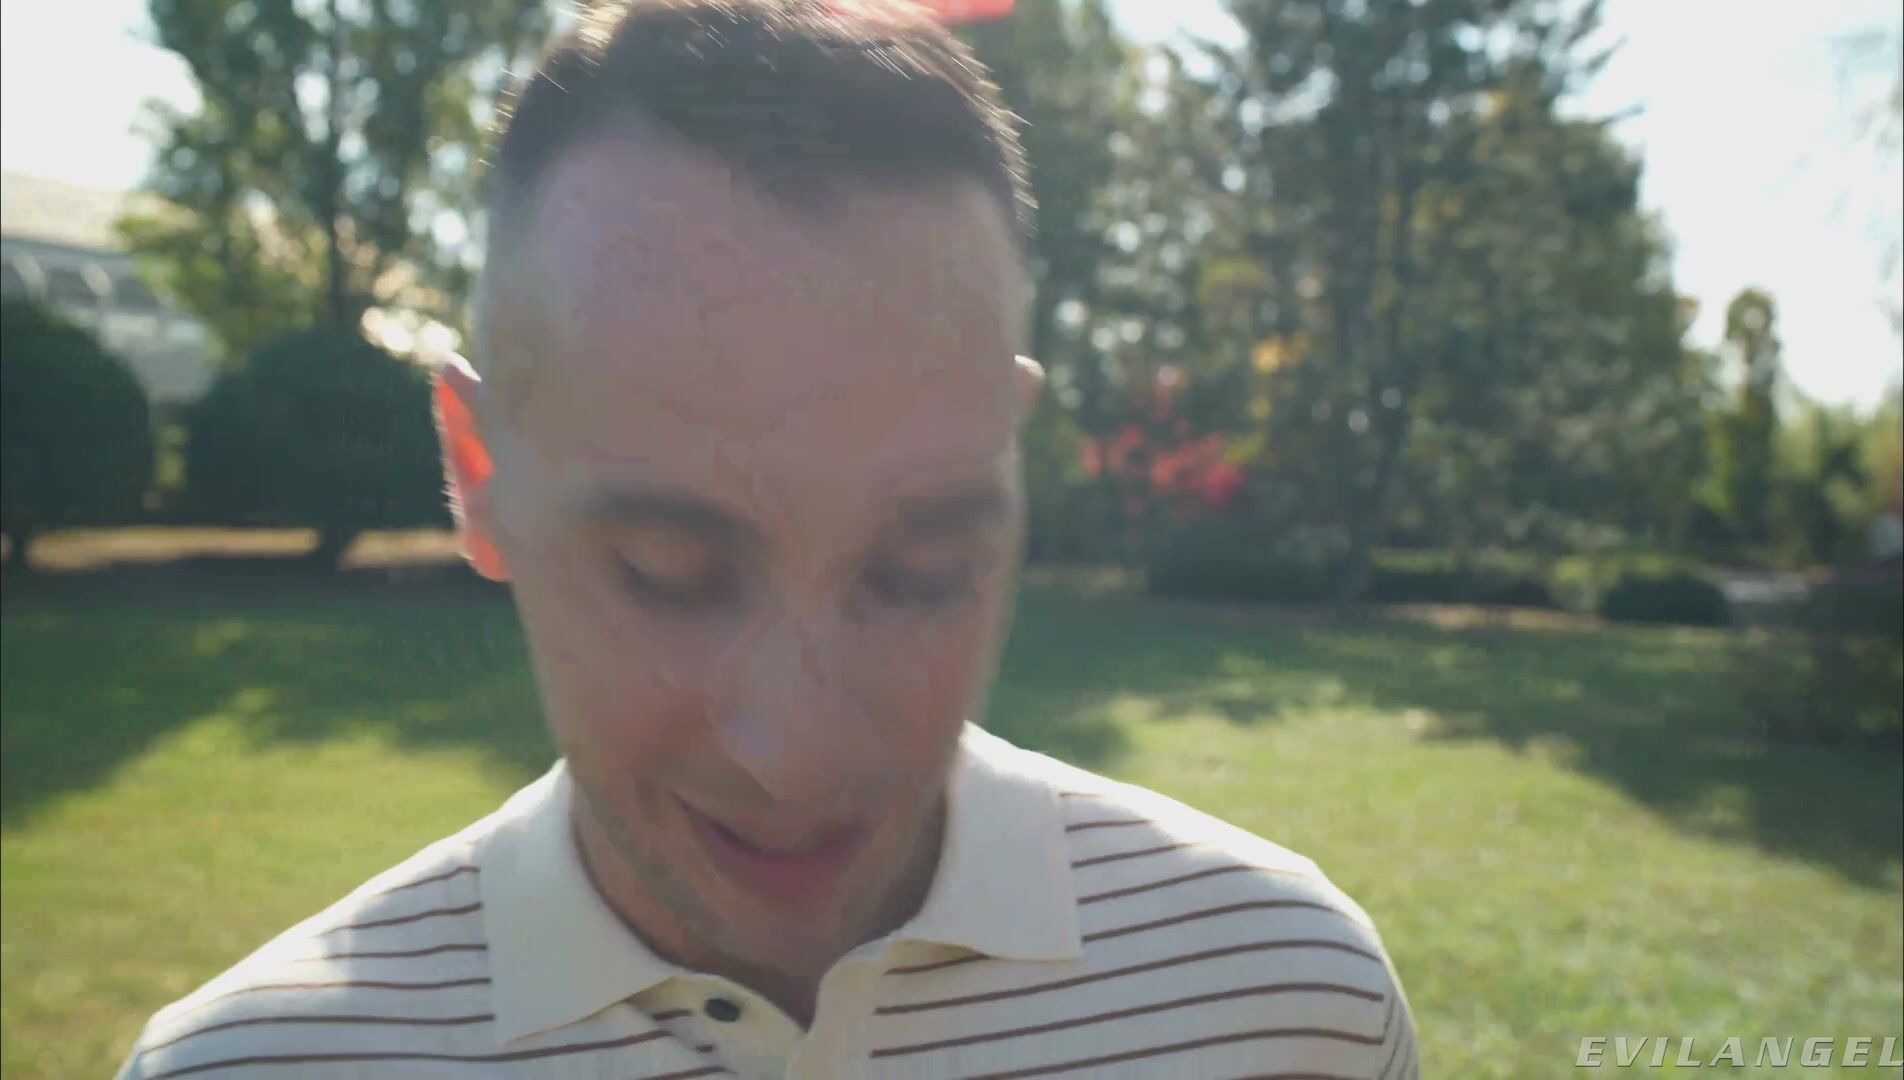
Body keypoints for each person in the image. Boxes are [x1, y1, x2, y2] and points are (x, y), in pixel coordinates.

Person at [117, 1, 1418, 1076]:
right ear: (480, 474)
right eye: (669, 575)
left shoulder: (1289, 1002)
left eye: (921, 569)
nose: (798, 755)